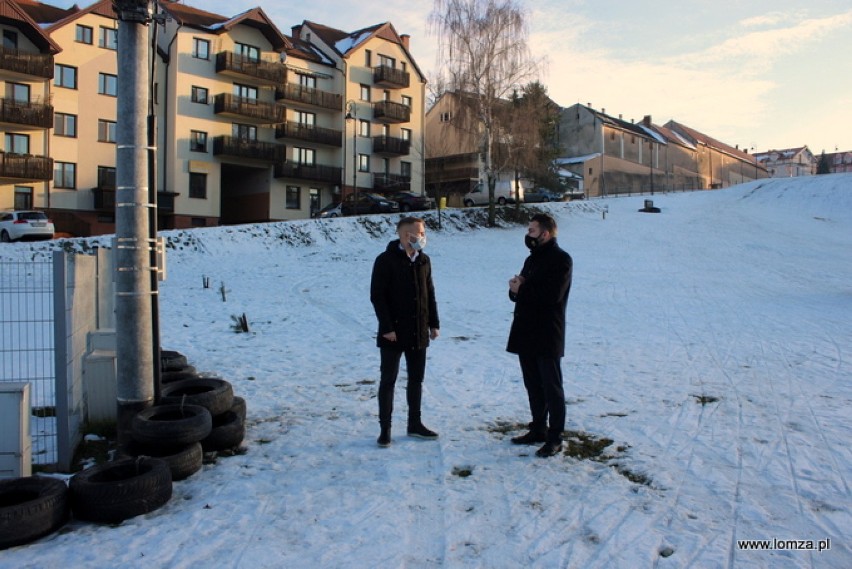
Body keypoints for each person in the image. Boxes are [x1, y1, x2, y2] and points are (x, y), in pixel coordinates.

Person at [507, 213, 573, 458]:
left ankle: (555, 437)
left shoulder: (561, 260)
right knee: (533, 384)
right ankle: (538, 429)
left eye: (532, 230)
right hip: (526, 330)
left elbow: (552, 296)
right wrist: (515, 288)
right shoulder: (531, 258)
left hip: (547, 331)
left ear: (545, 233)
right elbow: (522, 293)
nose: (528, 234)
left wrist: (522, 288)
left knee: (551, 387)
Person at [370, 216, 440, 447]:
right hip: (393, 333)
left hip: (418, 330)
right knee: (388, 380)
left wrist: (433, 323)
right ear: (403, 235)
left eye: (422, 232)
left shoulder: (424, 260)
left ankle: (415, 424)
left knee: (416, 380)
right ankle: (385, 429)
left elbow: (429, 293)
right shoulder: (385, 260)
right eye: (416, 233)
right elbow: (377, 297)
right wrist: (387, 328)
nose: (421, 237)